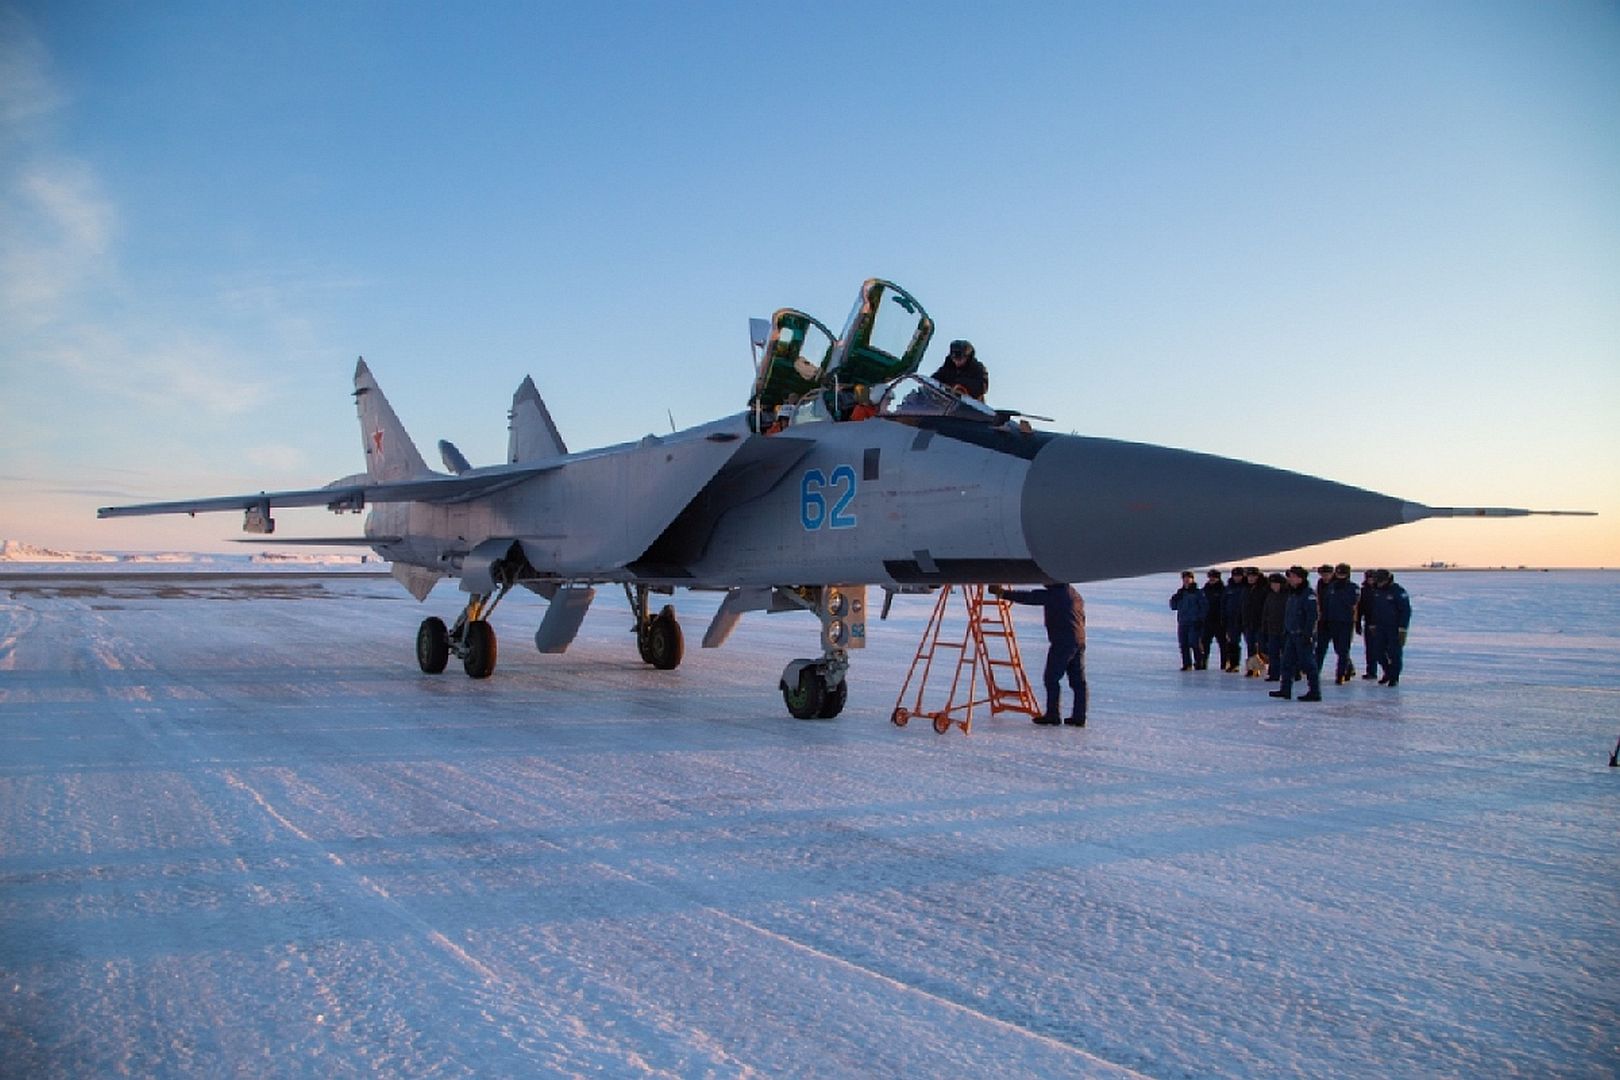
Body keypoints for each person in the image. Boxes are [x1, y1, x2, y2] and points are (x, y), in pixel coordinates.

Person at [993, 583, 1087, 726]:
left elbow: (1030, 597)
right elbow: (1082, 618)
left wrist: (1004, 594)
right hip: (1078, 640)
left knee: (1051, 678)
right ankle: (1079, 717)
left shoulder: (1055, 594)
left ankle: (1053, 714)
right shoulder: (1075, 595)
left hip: (1062, 642)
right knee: (1078, 682)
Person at [1270, 566, 1322, 701]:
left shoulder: (1308, 594)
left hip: (1302, 635)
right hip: (1291, 634)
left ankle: (1314, 692)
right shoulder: (1293, 593)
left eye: (1292, 576)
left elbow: (1312, 616)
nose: (1289, 579)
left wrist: (1308, 633)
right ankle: (1285, 690)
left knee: (1308, 664)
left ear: (1300, 578)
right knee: (1286, 663)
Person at [1363, 569, 1412, 686]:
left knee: (1394, 654)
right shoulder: (1377, 591)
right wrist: (1373, 624)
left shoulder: (1398, 591)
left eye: (1381, 581)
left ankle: (1394, 677)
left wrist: (1403, 628)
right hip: (1379, 627)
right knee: (1377, 652)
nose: (1378, 583)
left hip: (1394, 628)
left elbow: (1406, 610)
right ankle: (1388, 672)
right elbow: (1375, 609)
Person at [1315, 562, 1360, 684]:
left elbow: (1352, 603)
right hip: (1327, 621)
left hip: (1344, 623)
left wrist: (1357, 623)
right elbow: (1325, 603)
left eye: (1343, 574)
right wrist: (1322, 619)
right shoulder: (1330, 587)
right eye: (1339, 574)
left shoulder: (1353, 588)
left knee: (1342, 650)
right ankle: (1314, 673)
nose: (1340, 576)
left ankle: (1341, 675)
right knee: (1320, 648)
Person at [1169, 571, 1208, 670]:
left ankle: (1199, 663)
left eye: (1188, 578)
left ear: (1192, 579)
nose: (1186, 580)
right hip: (1183, 622)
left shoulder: (1198, 592)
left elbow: (1204, 607)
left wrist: (1200, 619)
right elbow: (1173, 607)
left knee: (1194, 643)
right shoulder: (1181, 592)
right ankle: (1187, 664)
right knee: (1183, 644)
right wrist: (1174, 600)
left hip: (1194, 622)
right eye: (1184, 578)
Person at [1260, 572, 1287, 680]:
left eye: (1276, 583)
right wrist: (1264, 628)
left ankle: (1291, 673)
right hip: (1272, 629)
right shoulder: (1270, 596)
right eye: (1272, 584)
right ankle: (1273, 674)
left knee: (1287, 654)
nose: (1274, 586)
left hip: (1285, 630)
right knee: (1273, 653)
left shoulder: (1287, 595)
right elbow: (1265, 613)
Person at [1221, 567, 1248, 673]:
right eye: (1235, 575)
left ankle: (1255, 666)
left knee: (1252, 644)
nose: (1237, 578)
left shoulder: (1247, 587)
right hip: (1232, 620)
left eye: (1239, 575)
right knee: (1233, 643)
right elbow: (1223, 604)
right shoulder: (1228, 589)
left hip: (1246, 620)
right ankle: (1234, 664)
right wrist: (1223, 617)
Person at [1242, 567, 1267, 675]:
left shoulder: (1263, 589)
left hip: (1260, 622)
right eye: (1249, 576)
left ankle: (1267, 665)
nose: (1251, 578)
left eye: (1253, 576)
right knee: (1250, 646)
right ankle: (1252, 668)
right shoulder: (1246, 589)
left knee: (1263, 647)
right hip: (1248, 622)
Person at [1201, 569, 1226, 673]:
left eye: (1214, 577)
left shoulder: (1223, 590)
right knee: (1204, 644)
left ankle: (1224, 665)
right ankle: (1203, 664)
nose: (1212, 579)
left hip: (1220, 622)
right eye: (1210, 577)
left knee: (1223, 645)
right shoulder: (1204, 590)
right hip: (1207, 621)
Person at [1355, 568, 1379, 679]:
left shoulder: (1382, 590)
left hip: (1382, 624)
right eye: (1369, 578)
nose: (1370, 580)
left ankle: (1389, 672)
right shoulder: (1364, 591)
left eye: (1372, 578)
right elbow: (1360, 609)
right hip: (1369, 623)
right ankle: (1371, 671)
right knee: (1370, 649)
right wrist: (1358, 622)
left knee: (1383, 650)